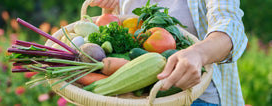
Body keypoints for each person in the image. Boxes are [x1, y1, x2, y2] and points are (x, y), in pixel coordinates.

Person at [90, 0, 248, 106]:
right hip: (136, 95)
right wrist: (108, 9)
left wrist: (197, 53)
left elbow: (230, 24)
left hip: (195, 95)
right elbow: (123, 28)